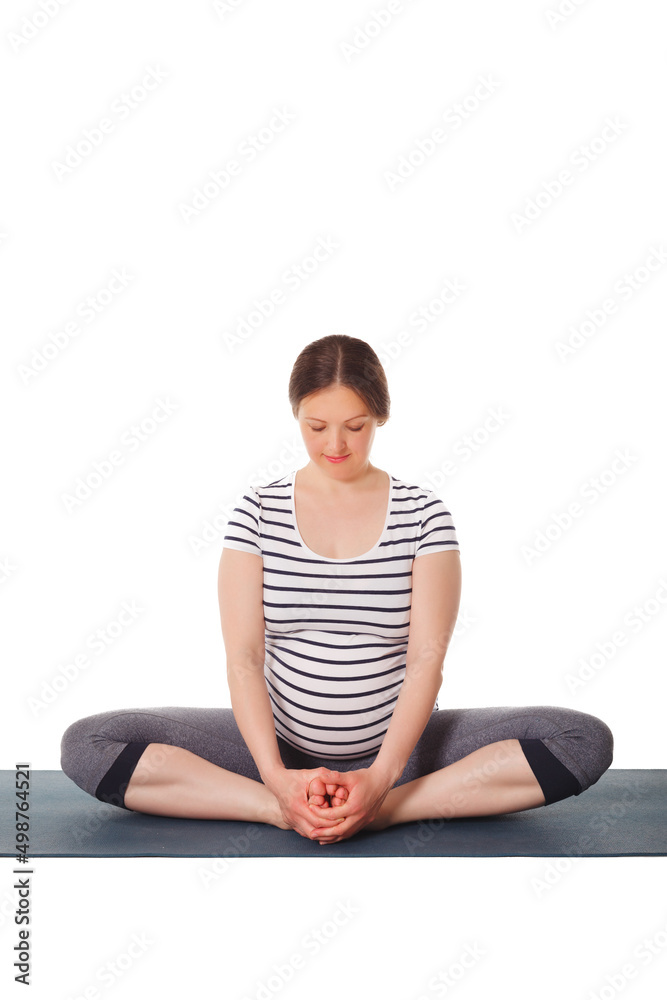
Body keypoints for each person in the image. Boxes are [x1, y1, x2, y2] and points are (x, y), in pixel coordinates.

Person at [60, 334, 614, 846]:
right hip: (269, 753)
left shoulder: (425, 516)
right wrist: (278, 783)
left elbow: (426, 659)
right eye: (315, 425)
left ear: (380, 416)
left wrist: (380, 783)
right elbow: (245, 658)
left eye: (355, 424)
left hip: (403, 757)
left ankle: (387, 809)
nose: (335, 443)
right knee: (88, 744)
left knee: (582, 740)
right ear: (296, 415)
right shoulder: (256, 512)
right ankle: (277, 809)